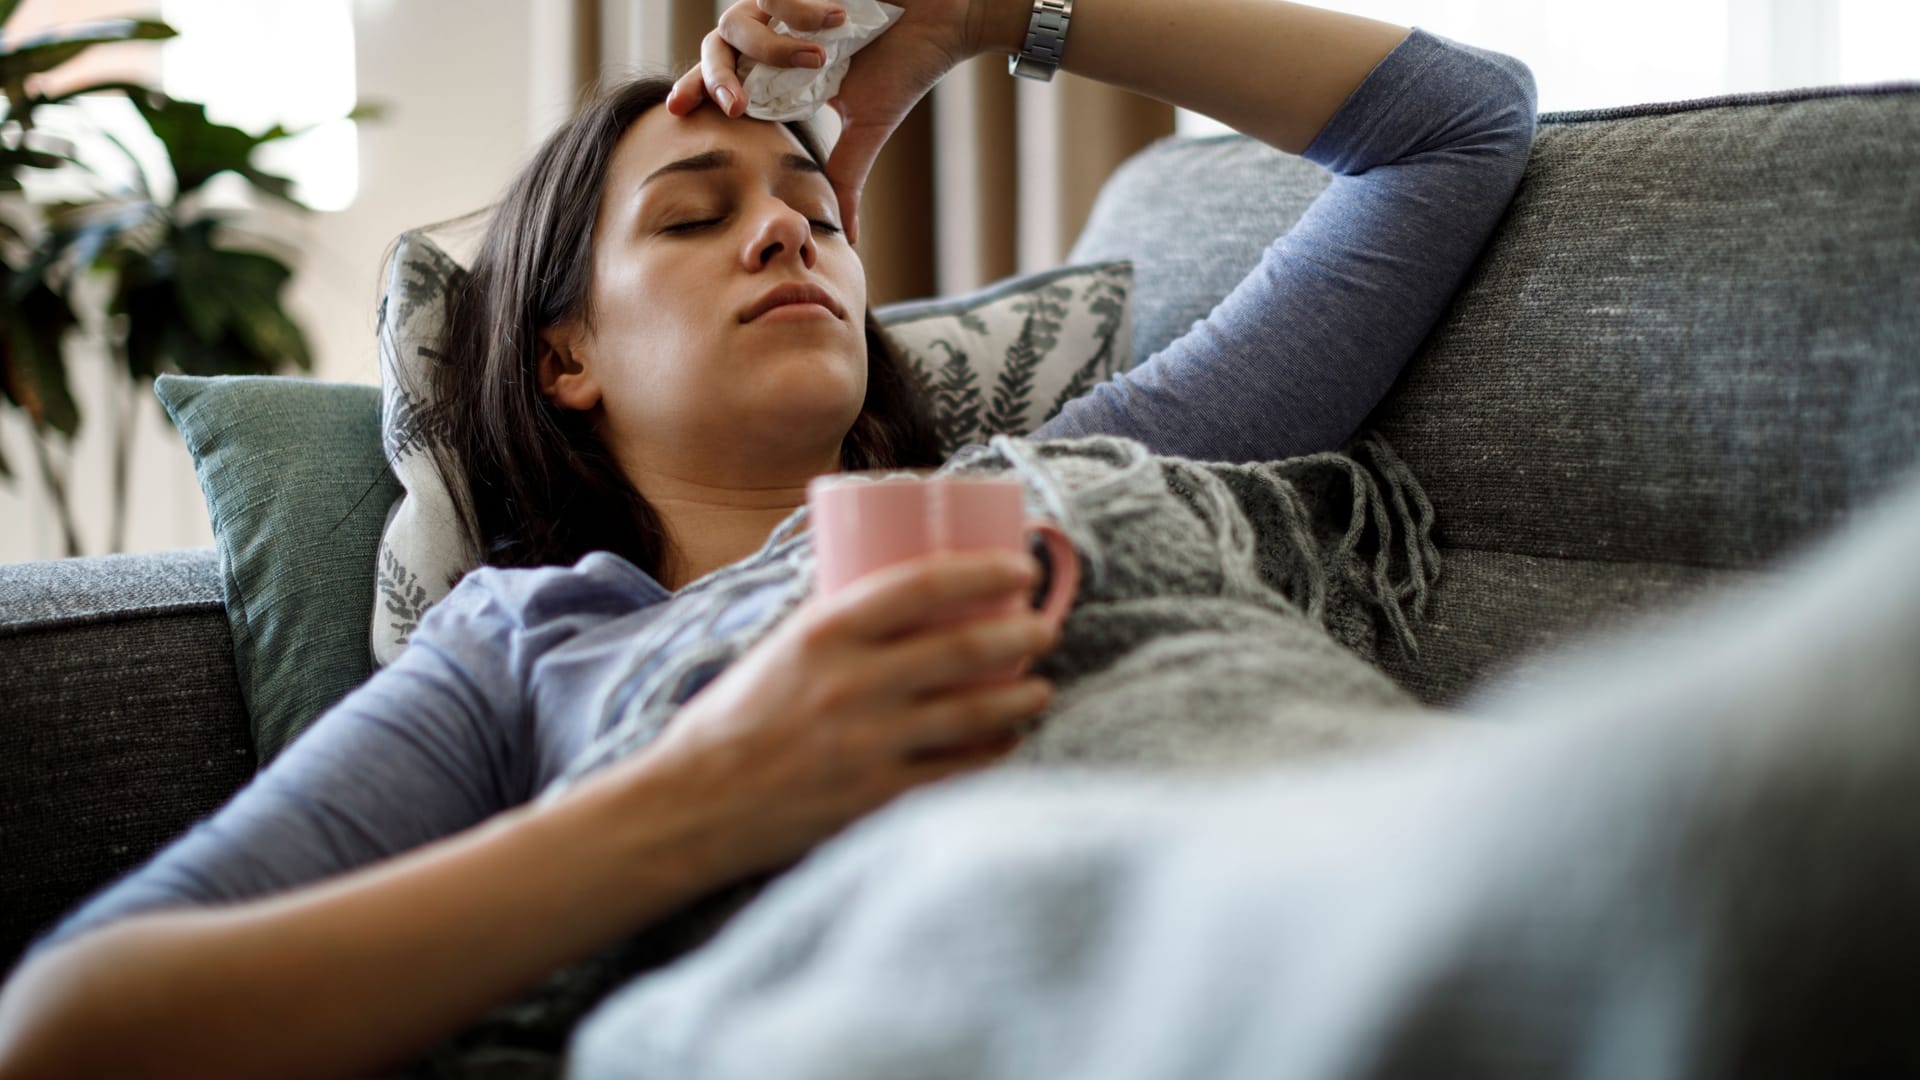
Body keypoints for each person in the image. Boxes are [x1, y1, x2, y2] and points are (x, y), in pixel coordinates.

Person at [0, 0, 1537, 1075]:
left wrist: (993, 11)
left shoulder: (1069, 471)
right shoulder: (527, 645)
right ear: (565, 360)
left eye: (818, 206)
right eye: (689, 215)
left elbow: (1458, 128)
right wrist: (710, 791)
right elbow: (73, 1028)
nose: (790, 227)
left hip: (1380, 898)